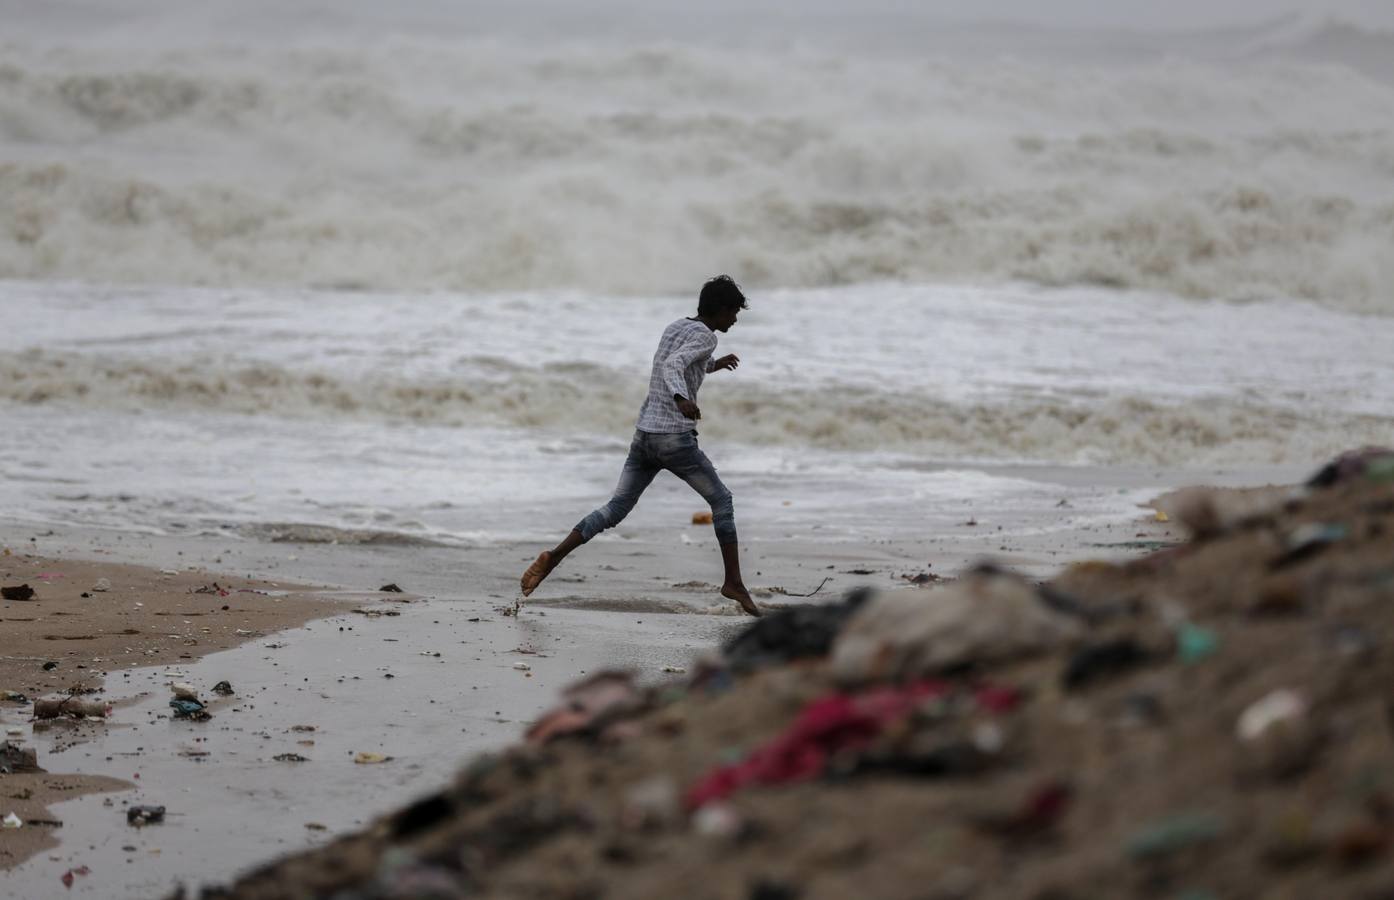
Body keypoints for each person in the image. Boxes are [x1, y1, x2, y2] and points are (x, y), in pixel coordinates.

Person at [520, 275, 761, 616]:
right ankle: (733, 582)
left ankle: (553, 557)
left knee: (615, 508)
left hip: (645, 434)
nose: (735, 319)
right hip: (673, 440)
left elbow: (680, 360)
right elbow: (674, 365)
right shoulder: (707, 337)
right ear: (721, 310)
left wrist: (714, 366)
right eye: (734, 312)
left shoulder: (676, 326)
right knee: (722, 501)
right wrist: (681, 399)